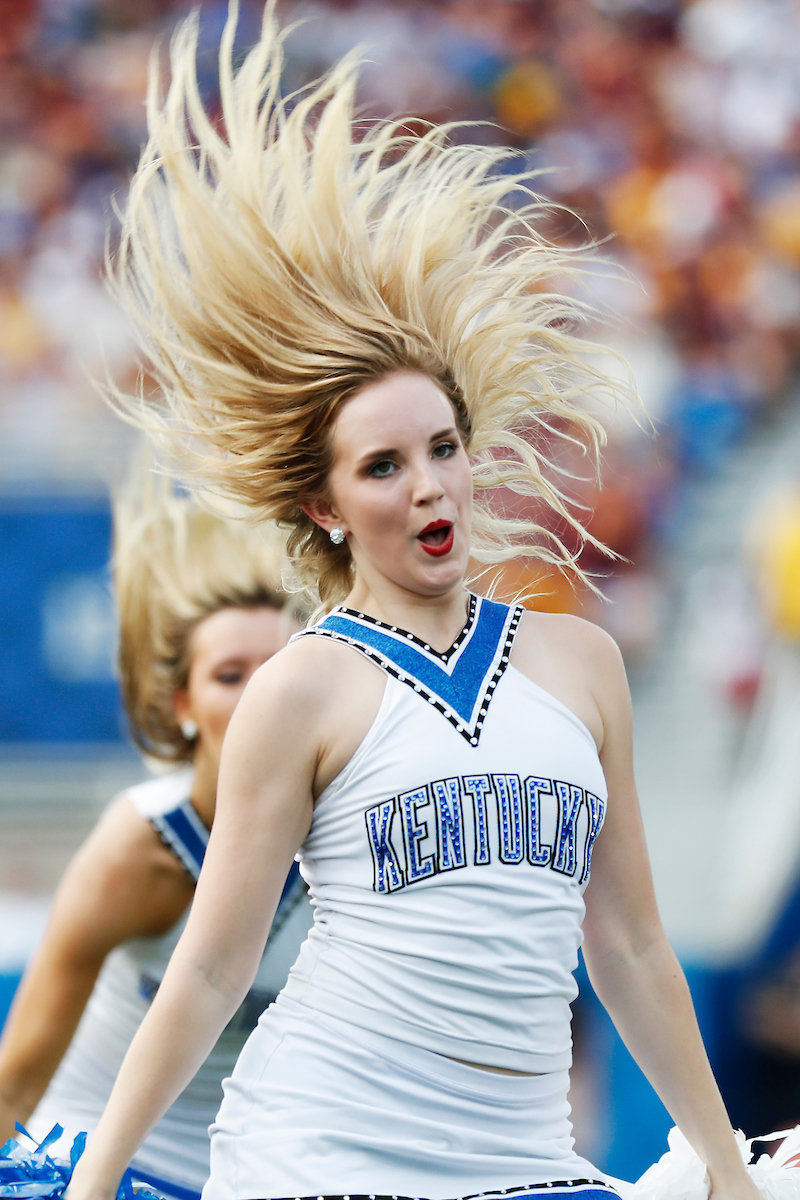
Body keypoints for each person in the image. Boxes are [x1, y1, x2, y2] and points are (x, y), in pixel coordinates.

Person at [64, 8, 764, 1200]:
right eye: (382, 467)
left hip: (521, 1163)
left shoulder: (578, 661)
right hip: (320, 1157)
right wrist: (96, 1183)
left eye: (441, 448)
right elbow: (211, 967)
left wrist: (718, 1164)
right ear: (329, 506)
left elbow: (633, 945)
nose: (426, 485)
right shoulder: (303, 687)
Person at [0, 463, 312, 1200]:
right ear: (181, 703)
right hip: (82, 1167)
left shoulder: (346, 840)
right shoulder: (141, 848)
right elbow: (18, 1076)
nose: (261, 695)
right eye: (231, 675)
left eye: (278, 669)